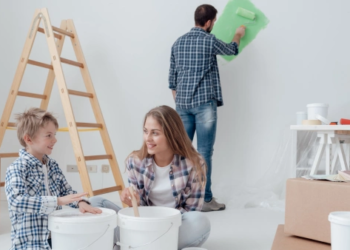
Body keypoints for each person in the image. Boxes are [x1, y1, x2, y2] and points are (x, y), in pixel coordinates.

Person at [90, 105, 210, 250]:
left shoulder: (194, 164)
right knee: (95, 203)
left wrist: (158, 223)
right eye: (146, 131)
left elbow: (192, 210)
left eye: (155, 133)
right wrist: (133, 201)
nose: (148, 138)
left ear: (172, 134)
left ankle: (133, 244)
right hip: (142, 225)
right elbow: (137, 211)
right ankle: (153, 245)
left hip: (171, 226)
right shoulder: (135, 162)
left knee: (200, 221)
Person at [168, 4, 246, 212]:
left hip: (182, 105)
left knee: (181, 153)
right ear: (209, 22)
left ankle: (179, 200)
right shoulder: (209, 40)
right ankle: (205, 200)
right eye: (215, 21)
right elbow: (232, 49)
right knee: (203, 153)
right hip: (204, 105)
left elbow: (172, 81)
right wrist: (238, 34)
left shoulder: (178, 43)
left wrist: (181, 102)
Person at [5, 108, 101, 250]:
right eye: (48, 135)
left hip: (55, 236)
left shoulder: (52, 165)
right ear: (28, 138)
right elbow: (16, 201)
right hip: (30, 242)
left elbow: (65, 190)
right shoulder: (17, 168)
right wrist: (57, 201)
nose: (54, 139)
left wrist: (80, 202)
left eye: (54, 134)